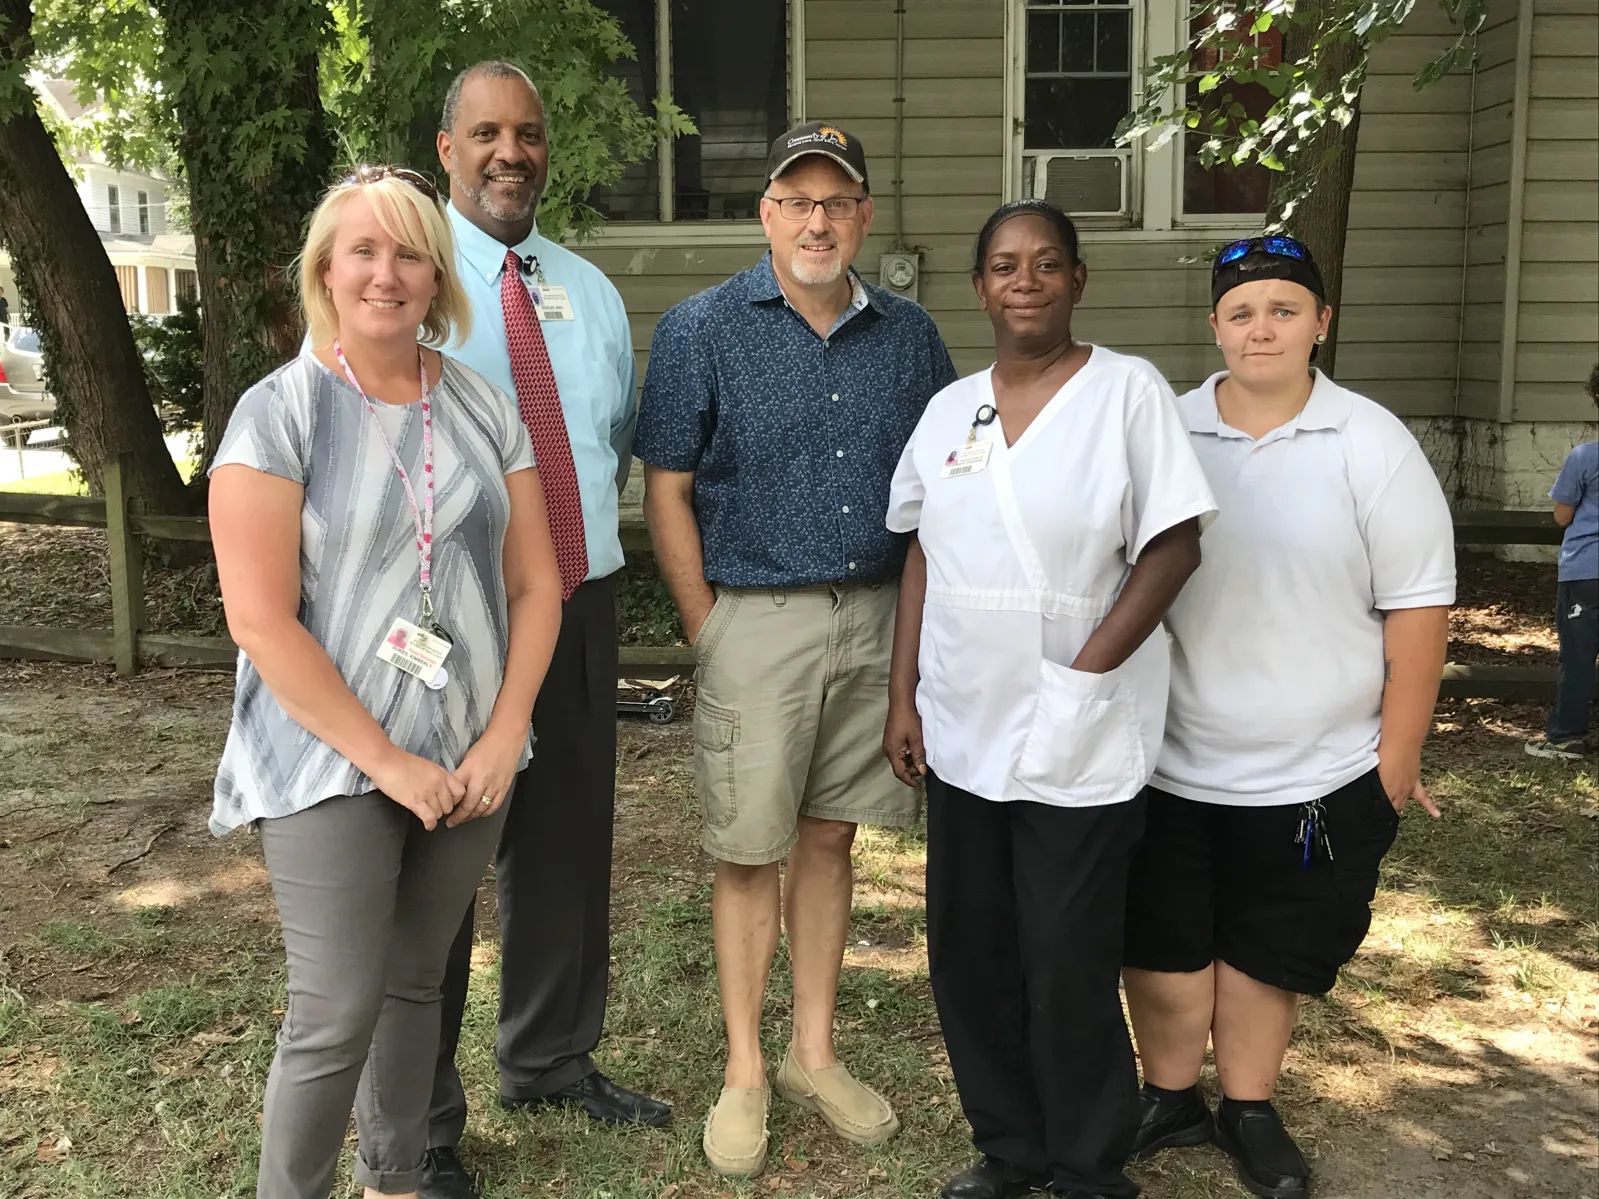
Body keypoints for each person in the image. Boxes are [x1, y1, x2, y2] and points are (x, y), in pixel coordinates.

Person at [207, 165, 563, 1199]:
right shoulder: (277, 414)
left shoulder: (484, 405)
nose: (386, 271)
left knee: (416, 983)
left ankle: (396, 1180)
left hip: (468, 753)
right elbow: (261, 619)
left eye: (409, 251)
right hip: (326, 755)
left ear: (435, 274)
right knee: (338, 1003)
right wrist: (390, 763)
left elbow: (539, 584)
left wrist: (504, 735)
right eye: (364, 248)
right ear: (327, 267)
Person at [636, 120, 956, 1178]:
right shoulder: (702, 328)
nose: (817, 220)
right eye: (796, 200)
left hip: (873, 617)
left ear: (862, 217)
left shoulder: (910, 337)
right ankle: (744, 1068)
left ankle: (815, 1050)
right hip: (753, 622)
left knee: (829, 841)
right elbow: (668, 485)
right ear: (766, 214)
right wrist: (706, 625)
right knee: (747, 848)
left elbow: (945, 482)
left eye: (837, 202)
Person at [881, 200, 1216, 1199]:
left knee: (1066, 954)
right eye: (1003, 265)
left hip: (1080, 722)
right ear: (979, 286)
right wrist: (904, 696)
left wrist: (1087, 670)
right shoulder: (951, 410)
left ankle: (1086, 1160)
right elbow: (921, 555)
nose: (1024, 279)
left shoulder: (1127, 394)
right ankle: (1009, 1146)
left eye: (1045, 263)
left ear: (1078, 277)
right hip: (964, 718)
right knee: (971, 951)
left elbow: (1175, 544)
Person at [1122, 236, 1456, 1199]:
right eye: (1239, 311)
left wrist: (1395, 758)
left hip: (1315, 771)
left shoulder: (1370, 443)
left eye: (1281, 309)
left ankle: (1249, 1106)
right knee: (1164, 946)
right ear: (1214, 326)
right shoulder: (1166, 431)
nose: (1259, 328)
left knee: (1264, 951)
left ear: (1320, 321)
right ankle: (1169, 1095)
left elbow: (1419, 608)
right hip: (1167, 758)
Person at [420, 61, 669, 1199]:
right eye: (486, 133)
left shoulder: (587, 288)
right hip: (444, 611)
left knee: (565, 839)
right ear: (447, 148)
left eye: (527, 133)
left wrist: (559, 567)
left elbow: (606, 435)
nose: (509, 152)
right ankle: (420, 1118)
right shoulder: (408, 277)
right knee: (436, 854)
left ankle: (550, 1055)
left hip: (574, 594)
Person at [1525, 361, 1599, 760]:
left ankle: (1567, 735)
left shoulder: (1585, 457)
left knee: (1578, 656)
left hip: (1586, 570)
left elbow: (1562, 515)